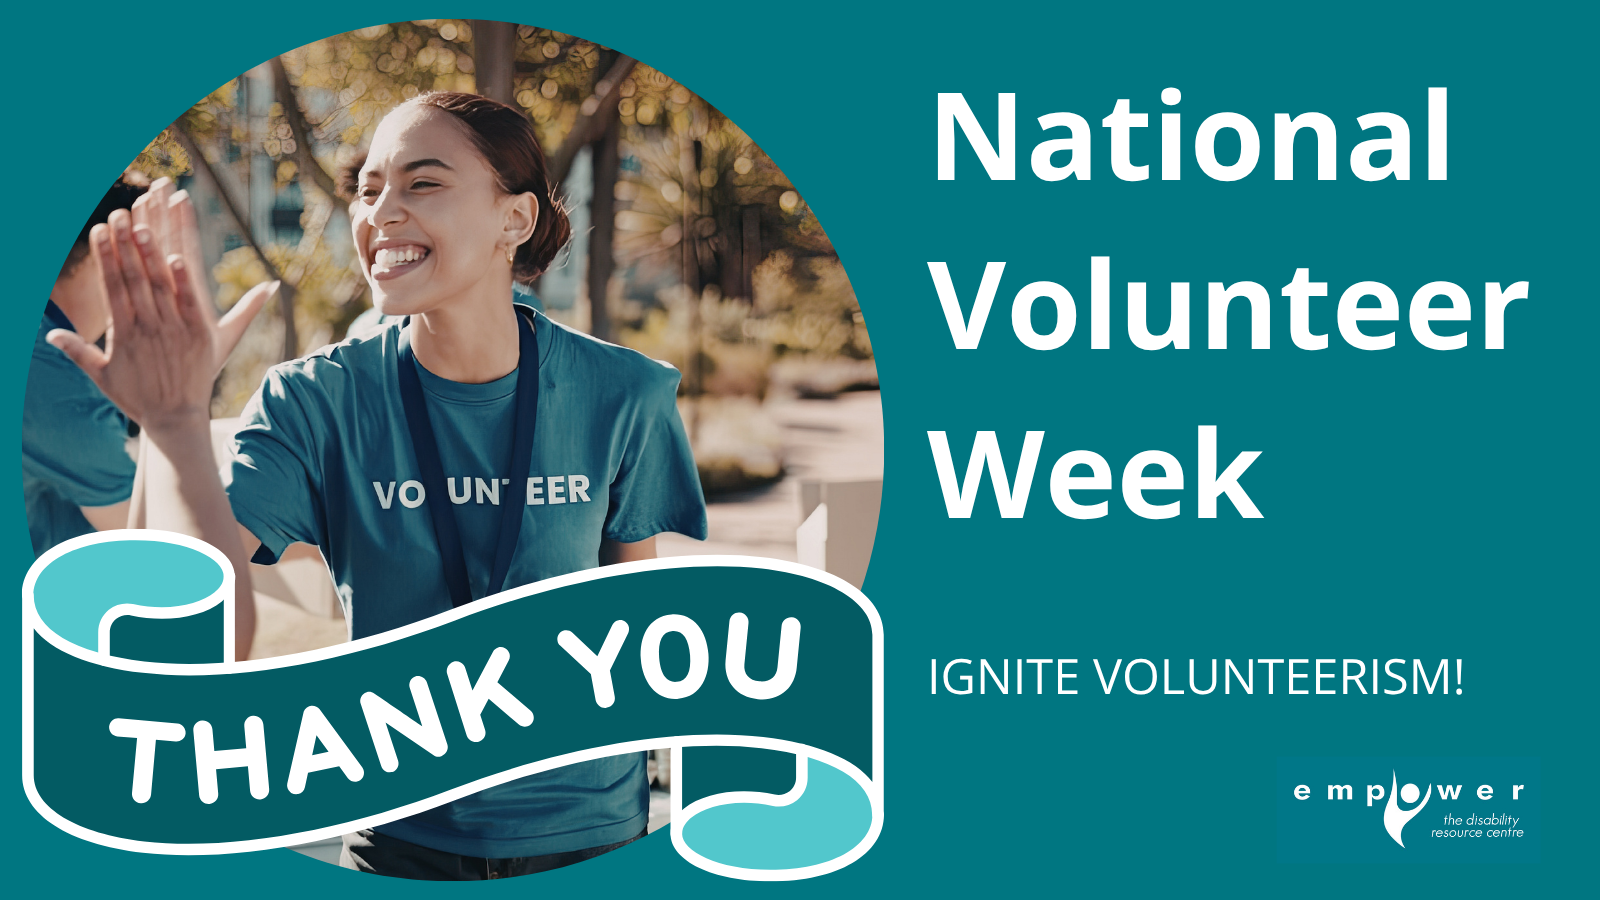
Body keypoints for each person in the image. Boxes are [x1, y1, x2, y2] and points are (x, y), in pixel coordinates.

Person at [52, 91, 708, 880]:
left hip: (593, 832)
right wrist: (173, 421)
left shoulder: (625, 392)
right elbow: (186, 638)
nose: (380, 213)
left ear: (515, 219)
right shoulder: (314, 399)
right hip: (399, 839)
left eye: (422, 183)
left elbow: (632, 611)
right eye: (368, 190)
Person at [27, 176, 267, 557]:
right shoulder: (55, 380)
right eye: (149, 255)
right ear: (109, 254)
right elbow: (161, 551)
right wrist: (177, 403)